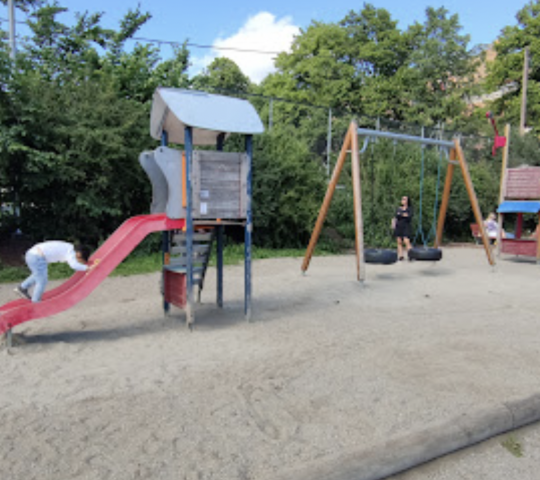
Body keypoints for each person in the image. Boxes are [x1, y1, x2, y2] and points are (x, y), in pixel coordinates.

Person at [14, 241, 97, 303]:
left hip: (32, 254)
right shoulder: (71, 253)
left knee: (38, 275)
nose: (78, 261)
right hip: (37, 256)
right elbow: (74, 265)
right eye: (80, 260)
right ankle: (36, 302)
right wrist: (87, 268)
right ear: (79, 254)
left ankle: (22, 288)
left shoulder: (68, 248)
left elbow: (75, 265)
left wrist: (84, 269)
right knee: (42, 281)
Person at [393, 195, 413, 261]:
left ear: (407, 201)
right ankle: (401, 256)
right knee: (399, 241)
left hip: (406, 226)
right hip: (398, 226)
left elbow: (409, 216)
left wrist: (402, 214)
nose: (403, 200)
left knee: (406, 241)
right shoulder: (399, 208)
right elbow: (396, 216)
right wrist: (393, 223)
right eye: (402, 199)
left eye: (404, 199)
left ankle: (411, 255)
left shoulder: (409, 209)